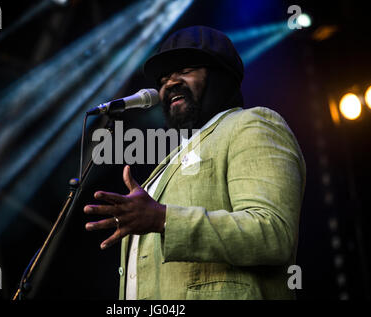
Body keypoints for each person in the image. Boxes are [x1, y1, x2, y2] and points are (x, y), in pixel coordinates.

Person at [84, 26, 306, 300]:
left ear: (219, 75)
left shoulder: (252, 124)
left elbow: (273, 233)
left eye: (185, 70)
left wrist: (163, 219)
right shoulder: (169, 162)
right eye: (163, 78)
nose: (170, 83)